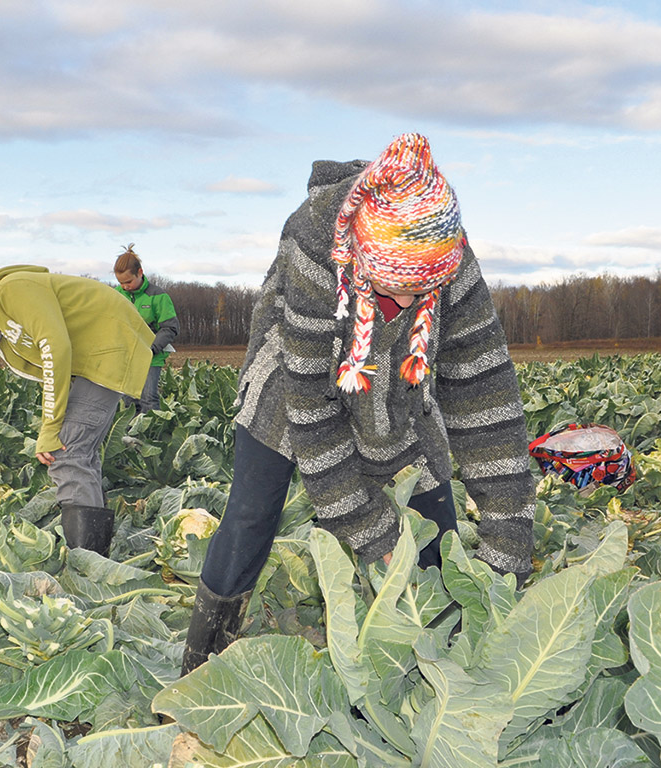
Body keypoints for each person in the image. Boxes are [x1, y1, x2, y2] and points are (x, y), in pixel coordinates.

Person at [182, 133, 536, 675]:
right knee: (251, 514)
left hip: (397, 384)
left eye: (421, 293)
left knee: (434, 529)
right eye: (391, 288)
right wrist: (371, 530)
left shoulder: (451, 262)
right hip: (293, 383)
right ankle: (200, 666)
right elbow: (311, 408)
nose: (405, 304)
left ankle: (439, 673)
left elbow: (485, 397)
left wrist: (509, 535)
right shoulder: (315, 241)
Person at [0, 265, 155, 557]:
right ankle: (95, 556)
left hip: (108, 346)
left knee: (67, 451)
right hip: (99, 353)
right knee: (77, 451)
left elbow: (55, 347)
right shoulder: (5, 314)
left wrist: (50, 428)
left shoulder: (10, 290)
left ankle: (86, 561)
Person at [113, 244, 179, 412]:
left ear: (140, 273)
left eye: (128, 281)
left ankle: (148, 436)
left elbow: (170, 327)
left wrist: (152, 348)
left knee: (148, 397)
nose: (125, 286)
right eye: (121, 283)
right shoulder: (117, 295)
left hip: (151, 356)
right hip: (126, 355)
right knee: (127, 399)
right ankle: (129, 435)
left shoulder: (158, 296)